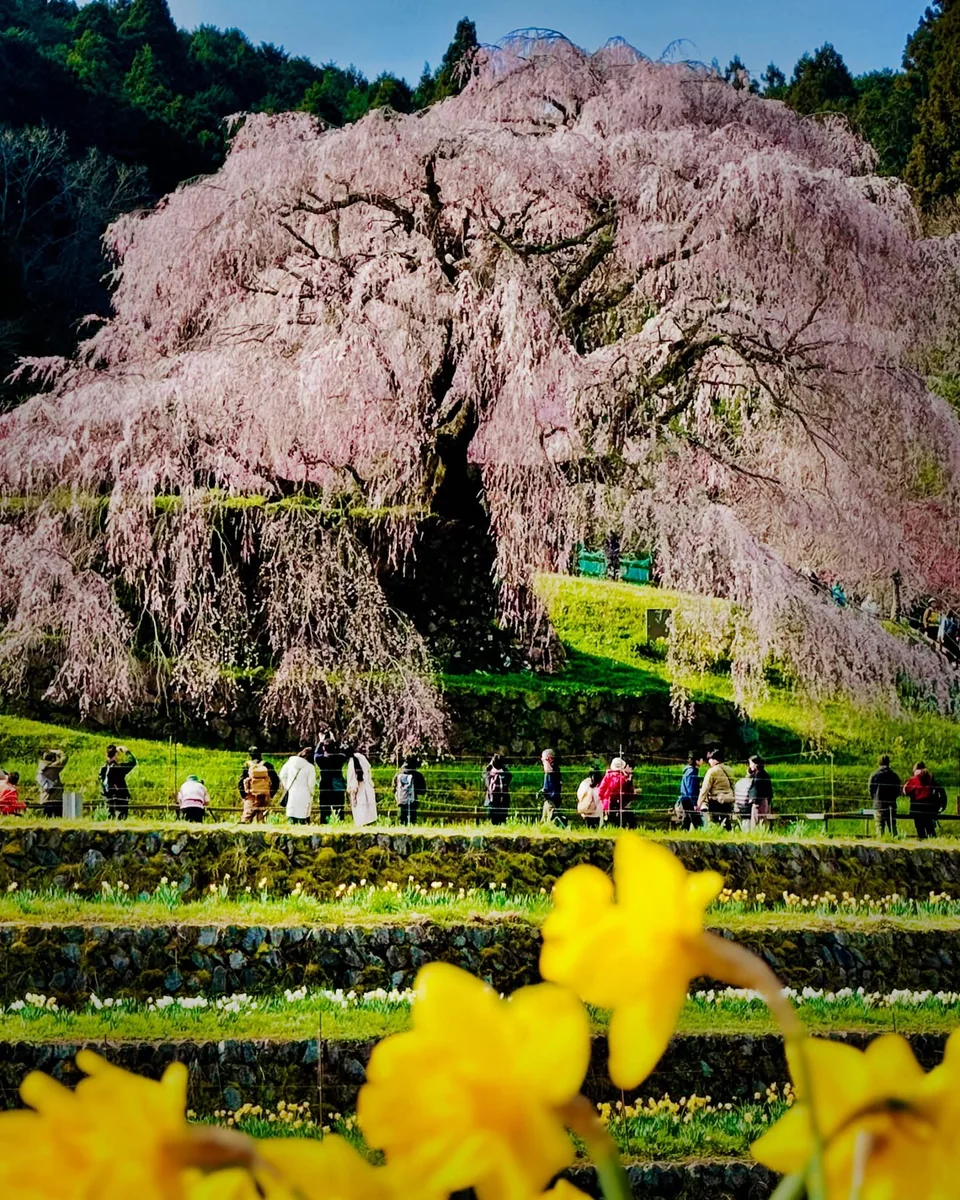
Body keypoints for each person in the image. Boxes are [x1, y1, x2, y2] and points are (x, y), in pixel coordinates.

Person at [903, 761, 945, 841]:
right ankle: (934, 842)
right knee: (930, 827)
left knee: (920, 828)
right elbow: (939, 790)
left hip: (917, 807)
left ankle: (922, 841)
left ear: (915, 769)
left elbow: (906, 791)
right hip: (930, 807)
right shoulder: (930, 778)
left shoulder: (914, 780)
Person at [237, 746, 279, 824]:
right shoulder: (267, 765)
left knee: (246, 817)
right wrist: (271, 793)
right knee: (262, 818)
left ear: (250, 754)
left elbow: (241, 781)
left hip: (251, 795)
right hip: (265, 794)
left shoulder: (247, 766)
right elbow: (276, 780)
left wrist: (244, 795)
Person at [697, 749, 735, 829]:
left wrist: (699, 803)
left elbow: (705, 788)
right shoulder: (729, 770)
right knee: (726, 822)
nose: (709, 761)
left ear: (715, 760)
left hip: (716, 800)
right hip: (727, 799)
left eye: (710, 759)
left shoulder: (712, 771)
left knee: (715, 823)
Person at [280, 747, 316, 825]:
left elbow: (282, 775)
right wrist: (312, 793)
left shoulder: (290, 762)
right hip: (305, 794)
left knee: (291, 816)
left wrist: (287, 786)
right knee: (302, 817)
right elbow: (311, 784)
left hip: (292, 793)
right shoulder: (310, 767)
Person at [99, 745, 137, 819]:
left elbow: (101, 781)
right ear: (116, 755)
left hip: (107, 798)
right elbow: (133, 762)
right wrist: (127, 751)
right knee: (121, 818)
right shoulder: (118, 768)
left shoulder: (103, 769)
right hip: (120, 797)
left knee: (110, 818)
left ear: (106, 755)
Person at [314, 738, 347, 824]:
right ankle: (339, 822)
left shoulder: (321, 759)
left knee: (324, 809)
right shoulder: (340, 758)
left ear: (324, 748)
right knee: (339, 808)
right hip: (337, 785)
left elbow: (316, 754)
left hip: (325, 785)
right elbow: (344, 753)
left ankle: (324, 823)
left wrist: (320, 742)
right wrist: (337, 744)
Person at [869, 754, 901, 836]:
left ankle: (881, 841)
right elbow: (898, 790)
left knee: (879, 826)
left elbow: (870, 789)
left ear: (879, 762)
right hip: (891, 804)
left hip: (878, 804)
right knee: (892, 825)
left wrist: (875, 798)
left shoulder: (874, 775)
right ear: (888, 762)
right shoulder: (894, 775)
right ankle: (896, 840)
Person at [598, 757, 635, 828]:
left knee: (606, 820)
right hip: (618, 803)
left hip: (606, 802)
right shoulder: (622, 778)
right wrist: (629, 780)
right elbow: (626, 792)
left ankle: (604, 829)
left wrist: (603, 799)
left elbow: (601, 789)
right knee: (619, 820)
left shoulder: (607, 775)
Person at [346, 745, 377, 827]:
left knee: (361, 812)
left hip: (359, 789)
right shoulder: (361, 757)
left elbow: (353, 781)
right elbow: (368, 768)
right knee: (369, 811)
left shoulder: (351, 763)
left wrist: (352, 794)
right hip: (367, 785)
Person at [393, 756, 426, 825]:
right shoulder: (418, 775)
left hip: (401, 800)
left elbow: (393, 788)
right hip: (413, 800)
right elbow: (423, 791)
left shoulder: (398, 774)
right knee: (412, 820)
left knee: (401, 820)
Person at [36, 749, 69, 818]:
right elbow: (65, 757)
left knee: (46, 820)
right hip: (55, 799)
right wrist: (55, 751)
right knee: (58, 820)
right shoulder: (54, 767)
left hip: (44, 799)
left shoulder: (40, 769)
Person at [676, 753, 703, 830]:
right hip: (689, 799)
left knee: (686, 821)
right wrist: (694, 803)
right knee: (697, 822)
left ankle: (683, 833)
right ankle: (701, 834)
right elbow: (691, 788)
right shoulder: (692, 771)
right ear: (697, 761)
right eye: (701, 759)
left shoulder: (688, 770)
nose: (702, 761)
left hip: (685, 798)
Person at [483, 754, 511, 825]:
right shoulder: (505, 774)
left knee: (493, 819)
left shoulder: (489, 774)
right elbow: (509, 776)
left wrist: (490, 765)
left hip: (491, 799)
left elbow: (485, 774)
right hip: (503, 800)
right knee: (502, 819)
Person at [747, 755, 773, 830]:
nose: (750, 766)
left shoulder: (759, 776)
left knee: (756, 822)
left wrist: (753, 800)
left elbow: (757, 790)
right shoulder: (763, 774)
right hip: (764, 801)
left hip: (758, 802)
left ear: (756, 764)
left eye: (751, 763)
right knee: (762, 821)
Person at [540, 748, 563, 824]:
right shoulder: (550, 769)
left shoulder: (553, 768)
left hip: (552, 799)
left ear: (549, 759)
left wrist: (546, 762)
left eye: (544, 759)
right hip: (548, 798)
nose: (542, 760)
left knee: (552, 819)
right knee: (544, 820)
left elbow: (549, 771)